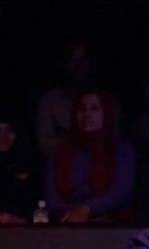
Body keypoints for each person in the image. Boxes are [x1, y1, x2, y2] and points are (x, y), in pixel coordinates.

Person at [44, 89, 135, 223]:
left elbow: (120, 192)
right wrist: (73, 214)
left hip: (110, 224)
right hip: (66, 222)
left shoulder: (121, 149)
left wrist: (88, 209)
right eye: (82, 109)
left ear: (107, 114)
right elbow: (52, 198)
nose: (86, 114)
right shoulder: (61, 150)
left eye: (94, 109)